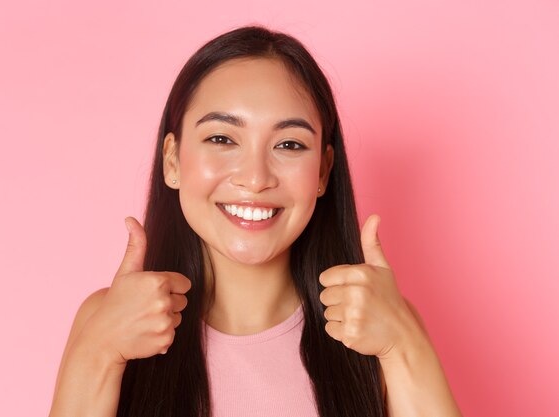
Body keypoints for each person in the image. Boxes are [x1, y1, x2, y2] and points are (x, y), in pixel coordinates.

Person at [48, 25, 463, 417]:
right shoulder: (105, 322)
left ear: (322, 172)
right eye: (222, 139)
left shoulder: (380, 323)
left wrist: (404, 344)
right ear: (172, 160)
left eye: (289, 144)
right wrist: (98, 355)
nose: (255, 178)